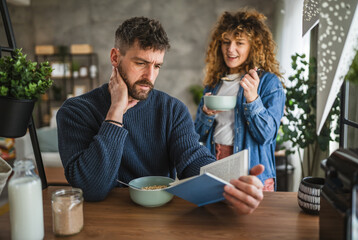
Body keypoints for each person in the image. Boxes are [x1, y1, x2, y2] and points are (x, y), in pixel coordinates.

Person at [57, 16, 264, 214]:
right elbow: (92, 189)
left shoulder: (172, 110)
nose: (150, 76)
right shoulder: (76, 111)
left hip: (162, 219)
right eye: (140, 63)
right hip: (103, 224)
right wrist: (115, 113)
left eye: (157, 66)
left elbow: (192, 159)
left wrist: (230, 184)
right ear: (115, 57)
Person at [194, 9, 285, 191]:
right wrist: (206, 114)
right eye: (226, 42)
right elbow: (197, 134)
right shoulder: (214, 84)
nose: (230, 49)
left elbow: (267, 136)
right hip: (216, 165)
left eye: (239, 43)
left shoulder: (268, 83)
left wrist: (253, 100)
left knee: (253, 220)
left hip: (253, 172)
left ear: (254, 46)